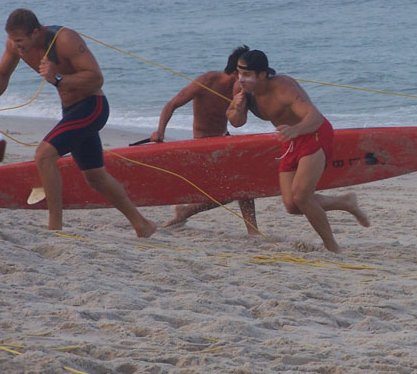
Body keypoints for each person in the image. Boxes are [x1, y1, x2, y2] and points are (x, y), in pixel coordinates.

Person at [0, 8, 157, 237]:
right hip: (70, 110)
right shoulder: (15, 45)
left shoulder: (65, 40)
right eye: (12, 40)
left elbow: (96, 78)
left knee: (44, 155)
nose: (16, 46)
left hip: (93, 107)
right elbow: (2, 73)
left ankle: (55, 228)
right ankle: (142, 224)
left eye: (20, 41)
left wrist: (58, 78)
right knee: (96, 177)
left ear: (35, 32)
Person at [227, 50, 369, 253]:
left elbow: (315, 117)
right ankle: (345, 202)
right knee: (292, 205)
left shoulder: (283, 88)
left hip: (313, 133)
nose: (241, 79)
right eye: (239, 73)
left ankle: (333, 248)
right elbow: (236, 122)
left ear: (262, 74)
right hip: (290, 140)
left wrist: (296, 129)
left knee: (302, 197)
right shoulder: (241, 89)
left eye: (247, 74)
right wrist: (237, 108)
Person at [150, 45, 258, 233]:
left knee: (244, 182)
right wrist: (160, 131)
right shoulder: (207, 81)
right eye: (245, 75)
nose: (248, 80)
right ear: (236, 72)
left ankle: (253, 230)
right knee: (230, 191)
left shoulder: (241, 91)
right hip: (202, 144)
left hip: (223, 139)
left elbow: (239, 122)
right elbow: (172, 104)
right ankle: (185, 211)